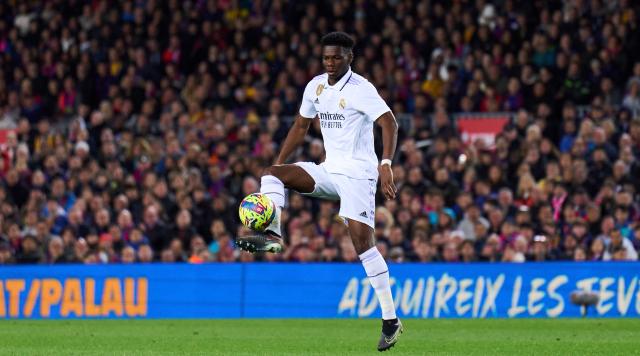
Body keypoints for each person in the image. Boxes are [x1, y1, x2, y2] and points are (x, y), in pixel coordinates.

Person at [236, 32, 403, 351]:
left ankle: (390, 319)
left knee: (362, 244)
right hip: (329, 170)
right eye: (326, 57)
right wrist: (280, 162)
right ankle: (273, 234)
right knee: (271, 174)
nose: (330, 63)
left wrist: (386, 163)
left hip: (358, 174)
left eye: (337, 57)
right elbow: (300, 126)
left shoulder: (361, 89)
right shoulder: (315, 86)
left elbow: (389, 123)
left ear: (349, 57)